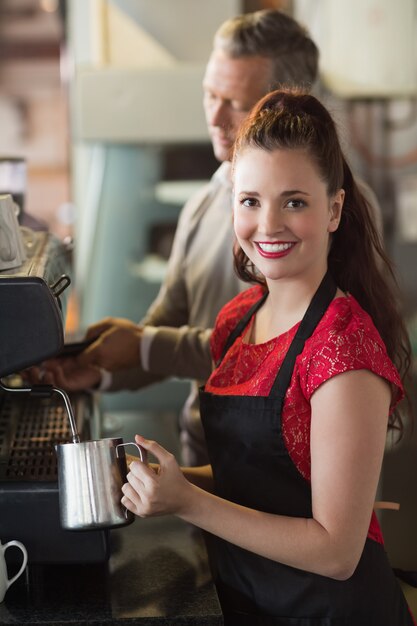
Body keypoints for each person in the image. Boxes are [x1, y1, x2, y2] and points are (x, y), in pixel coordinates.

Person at [36, 9, 382, 467]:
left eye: (236, 103)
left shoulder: (337, 216)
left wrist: (141, 344)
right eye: (209, 95)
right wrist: (97, 370)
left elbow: (273, 351)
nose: (215, 117)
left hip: (286, 475)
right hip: (209, 459)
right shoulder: (204, 204)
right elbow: (169, 327)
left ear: (287, 108)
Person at [120, 89, 414, 625]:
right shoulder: (239, 319)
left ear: (335, 210)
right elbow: (257, 479)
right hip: (248, 599)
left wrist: (188, 503)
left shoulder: (342, 347)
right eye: (250, 201)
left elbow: (336, 552)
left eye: (294, 201)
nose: (269, 224)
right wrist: (168, 480)